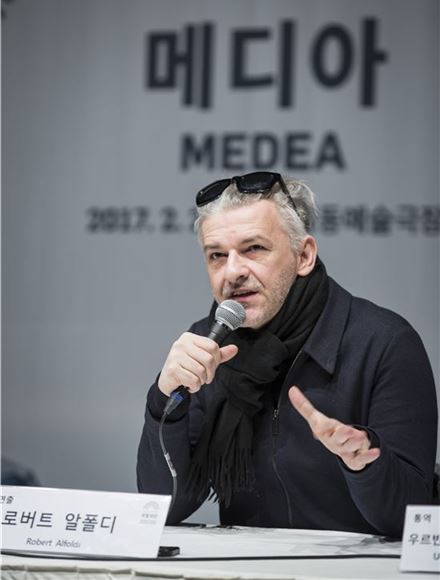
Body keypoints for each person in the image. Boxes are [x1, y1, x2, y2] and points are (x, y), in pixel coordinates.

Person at [137, 171, 438, 538]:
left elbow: (411, 518)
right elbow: (164, 508)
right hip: (245, 565)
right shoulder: (207, 345)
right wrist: (165, 400)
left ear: (304, 256)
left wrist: (365, 464)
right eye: (217, 255)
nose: (232, 271)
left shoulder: (384, 342)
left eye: (254, 249)